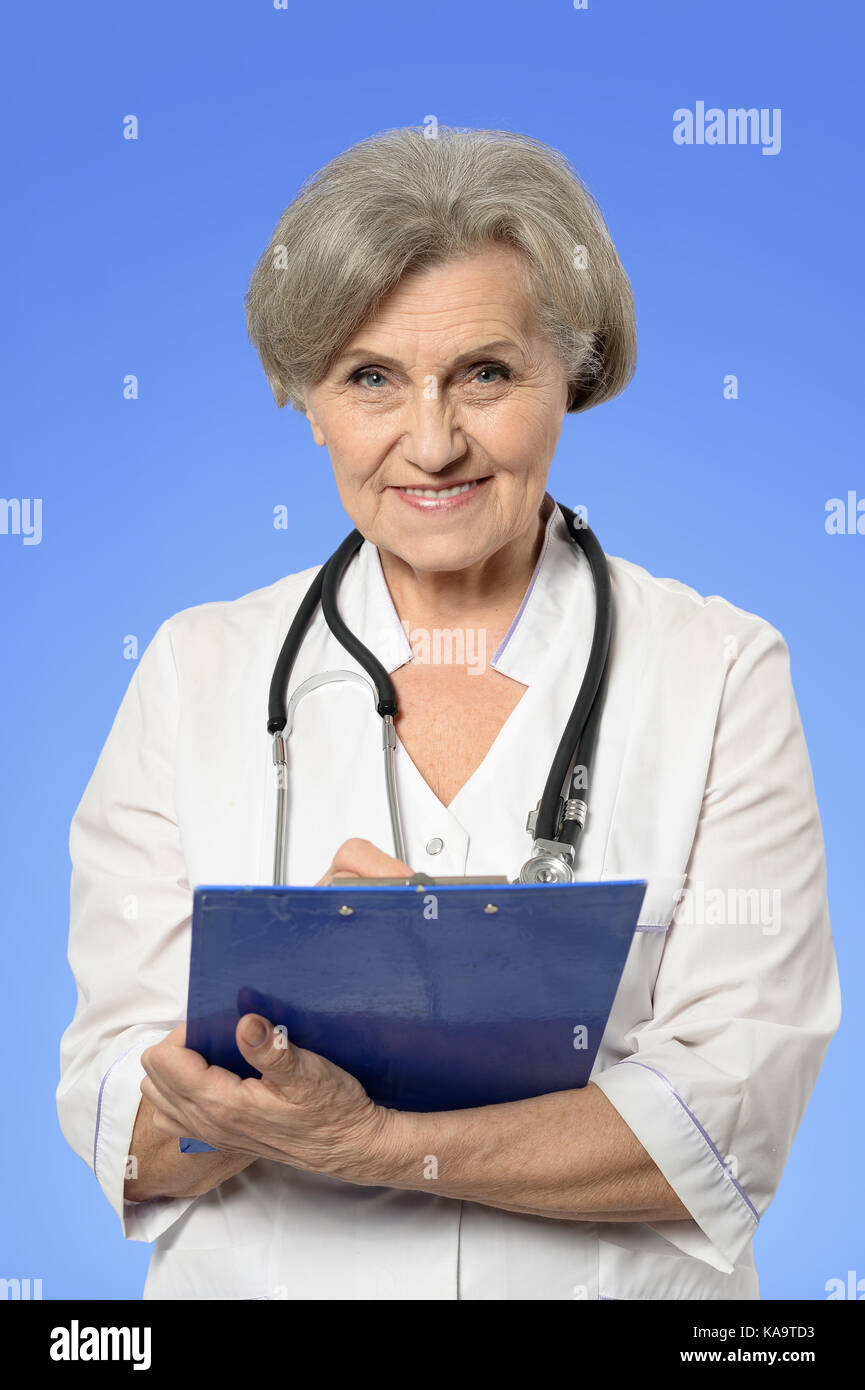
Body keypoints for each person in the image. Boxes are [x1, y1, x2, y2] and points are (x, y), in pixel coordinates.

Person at [57, 126, 840, 1300]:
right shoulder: (194, 673)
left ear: (566, 376)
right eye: (370, 377)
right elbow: (127, 1132)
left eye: (485, 371)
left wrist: (369, 1135)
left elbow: (728, 1123)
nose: (430, 441)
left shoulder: (718, 672)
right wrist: (305, 1024)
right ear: (308, 401)